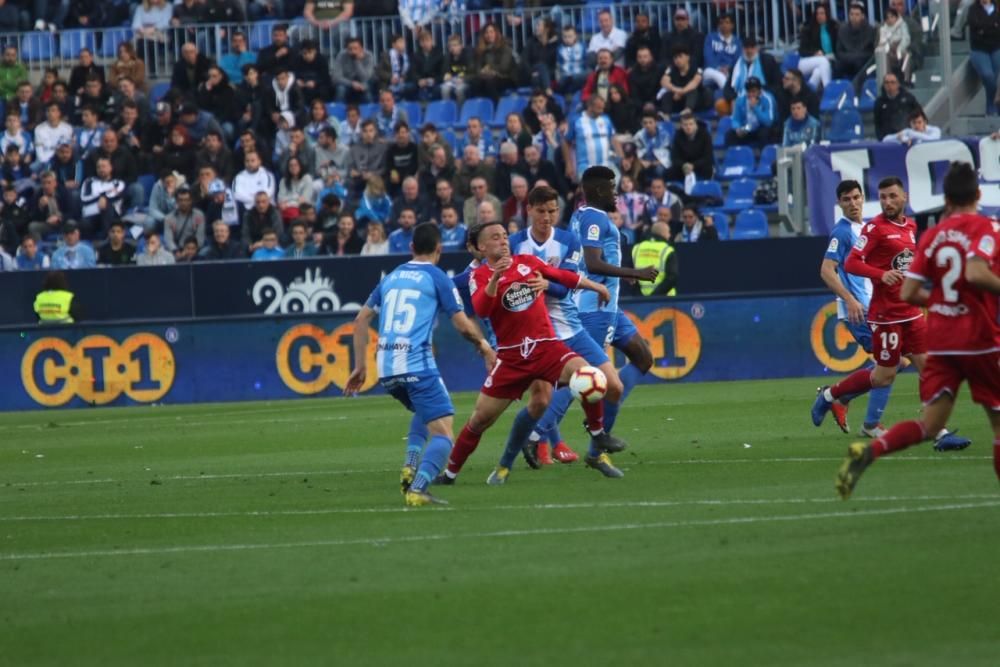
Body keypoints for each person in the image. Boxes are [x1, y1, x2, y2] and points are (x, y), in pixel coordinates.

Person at [837, 161, 1000, 498]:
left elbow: (911, 292)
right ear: (978, 194)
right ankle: (836, 398)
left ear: (948, 200)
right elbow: (975, 273)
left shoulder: (929, 236)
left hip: (942, 339)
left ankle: (871, 450)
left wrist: (941, 300)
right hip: (980, 339)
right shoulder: (988, 228)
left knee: (930, 424)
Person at [437, 218, 621, 486]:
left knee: (590, 376)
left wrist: (596, 286)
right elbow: (482, 309)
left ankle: (597, 432)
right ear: (481, 247)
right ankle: (450, 475)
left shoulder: (527, 261)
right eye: (495, 237)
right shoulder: (478, 276)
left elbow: (562, 277)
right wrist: (497, 277)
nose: (503, 240)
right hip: (511, 358)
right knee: (479, 420)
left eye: (504, 234)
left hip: (547, 347)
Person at [812, 176, 970, 451]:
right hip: (881, 314)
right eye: (883, 197)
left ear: (904, 197)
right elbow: (845, 265)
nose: (886, 202)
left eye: (892, 196)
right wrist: (868, 284)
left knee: (925, 367)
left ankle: (938, 432)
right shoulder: (867, 229)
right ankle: (835, 397)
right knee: (886, 373)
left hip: (909, 312)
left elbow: (908, 264)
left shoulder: (909, 226)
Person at [346, 222, 494, 506]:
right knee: (444, 434)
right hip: (416, 364)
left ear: (411, 248)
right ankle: (418, 487)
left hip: (386, 369)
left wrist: (360, 366)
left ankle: (410, 464)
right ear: (439, 249)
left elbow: (361, 320)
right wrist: (484, 346)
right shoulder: (438, 277)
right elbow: (463, 325)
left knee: (427, 412)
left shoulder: (390, 277)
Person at [505, 185, 629, 469]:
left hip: (571, 327)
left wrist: (547, 284)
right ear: (529, 211)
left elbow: (566, 287)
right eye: (541, 211)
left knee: (614, 386)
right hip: (538, 334)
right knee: (544, 396)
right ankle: (517, 451)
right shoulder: (514, 244)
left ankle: (596, 441)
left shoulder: (569, 241)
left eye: (552, 211)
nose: (546, 217)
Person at [563, 166, 659, 473]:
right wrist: (635, 272)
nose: (617, 193)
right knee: (579, 378)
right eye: (613, 188)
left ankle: (596, 441)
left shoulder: (582, 215)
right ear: (600, 191)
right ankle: (540, 432)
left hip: (610, 307)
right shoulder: (593, 216)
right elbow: (592, 263)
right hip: (595, 307)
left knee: (643, 358)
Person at [817, 179, 892, 438]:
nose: (853, 203)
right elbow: (826, 271)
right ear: (839, 203)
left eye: (856, 197)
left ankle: (837, 396)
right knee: (891, 361)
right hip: (858, 310)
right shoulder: (842, 232)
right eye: (847, 199)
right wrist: (849, 300)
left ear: (863, 198)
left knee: (897, 360)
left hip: (877, 307)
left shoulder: (867, 228)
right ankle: (861, 417)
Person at [563, 95, 617, 184]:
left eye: (603, 107)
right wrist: (568, 164)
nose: (602, 110)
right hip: (585, 167)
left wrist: (621, 157)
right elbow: (565, 142)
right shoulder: (576, 121)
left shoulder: (606, 119)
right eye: (599, 107)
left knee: (619, 180)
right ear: (590, 106)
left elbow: (613, 139)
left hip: (607, 165)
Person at [80, 157, 125, 237]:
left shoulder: (118, 183)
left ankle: (107, 240)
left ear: (111, 168)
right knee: (83, 223)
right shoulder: (89, 182)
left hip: (110, 215)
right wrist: (102, 196)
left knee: (107, 207)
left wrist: (104, 198)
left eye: (104, 166)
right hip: (91, 215)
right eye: (98, 167)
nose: (101, 169)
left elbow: (115, 196)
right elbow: (84, 199)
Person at [658, 45, 710, 115]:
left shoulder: (696, 69)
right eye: (675, 58)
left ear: (687, 57)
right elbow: (664, 82)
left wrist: (681, 92)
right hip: (679, 98)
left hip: (697, 100)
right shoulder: (671, 69)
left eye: (680, 57)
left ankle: (688, 110)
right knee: (667, 95)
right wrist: (676, 90)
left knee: (692, 91)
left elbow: (694, 83)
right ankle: (666, 115)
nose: (678, 60)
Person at [968, 0, 1000, 115]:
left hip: (996, 48)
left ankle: (991, 108)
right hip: (979, 49)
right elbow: (975, 28)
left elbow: (985, 28)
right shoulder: (972, 9)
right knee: (988, 76)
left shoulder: (997, 7)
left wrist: (984, 28)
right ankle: (993, 105)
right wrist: (993, 25)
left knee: (996, 77)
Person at [472, 23, 516, 103]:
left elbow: (504, 67)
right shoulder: (481, 49)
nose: (489, 35)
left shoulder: (505, 47)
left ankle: (496, 107)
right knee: (475, 82)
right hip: (486, 76)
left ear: (496, 33)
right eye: (486, 33)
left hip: (504, 77)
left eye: (491, 32)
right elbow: (477, 67)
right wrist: (482, 72)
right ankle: (478, 107)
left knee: (490, 83)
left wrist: (490, 69)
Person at [726, 77, 777, 148]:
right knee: (730, 135)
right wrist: (738, 128)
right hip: (748, 127)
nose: (751, 94)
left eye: (753, 91)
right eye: (748, 91)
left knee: (764, 132)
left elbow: (768, 122)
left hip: (762, 126)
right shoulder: (740, 99)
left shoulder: (767, 99)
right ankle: (733, 156)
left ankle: (764, 156)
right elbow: (736, 119)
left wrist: (755, 108)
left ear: (760, 91)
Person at [797, 2, 837, 91]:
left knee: (818, 72)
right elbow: (802, 51)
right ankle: (828, 89)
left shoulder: (833, 28)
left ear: (827, 14)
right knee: (823, 60)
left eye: (822, 13)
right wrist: (815, 53)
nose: (819, 16)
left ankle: (808, 91)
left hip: (827, 60)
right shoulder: (808, 29)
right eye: (817, 13)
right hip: (806, 61)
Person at [632, 220, 678, 296]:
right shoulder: (667, 250)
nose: (669, 235)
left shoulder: (637, 248)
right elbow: (672, 277)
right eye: (668, 232)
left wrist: (640, 295)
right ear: (663, 233)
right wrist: (655, 296)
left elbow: (629, 275)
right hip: (665, 299)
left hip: (641, 299)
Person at [835, 2, 876, 86]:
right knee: (837, 66)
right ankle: (837, 89)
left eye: (857, 14)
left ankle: (859, 90)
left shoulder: (870, 30)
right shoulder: (843, 30)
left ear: (863, 16)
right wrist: (851, 57)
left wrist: (856, 57)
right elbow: (839, 51)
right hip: (847, 60)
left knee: (860, 64)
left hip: (862, 62)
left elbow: (871, 52)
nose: (854, 17)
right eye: (851, 14)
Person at [666, 111, 714, 181]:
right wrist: (683, 165)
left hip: (700, 165)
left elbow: (708, 157)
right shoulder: (678, 135)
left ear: (696, 125)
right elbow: (674, 157)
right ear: (681, 126)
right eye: (685, 125)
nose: (688, 127)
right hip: (684, 166)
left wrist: (693, 165)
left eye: (691, 124)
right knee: (668, 172)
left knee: (708, 169)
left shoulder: (705, 135)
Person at [873, 71, 921, 140]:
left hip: (907, 136)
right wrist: (881, 139)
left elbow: (918, 115)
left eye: (892, 82)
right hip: (888, 139)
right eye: (886, 82)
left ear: (898, 84)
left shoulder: (908, 98)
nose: (889, 85)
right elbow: (877, 123)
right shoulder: (879, 102)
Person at [702, 13, 741, 91]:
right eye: (721, 23)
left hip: (729, 72)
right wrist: (719, 68)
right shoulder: (710, 37)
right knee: (720, 76)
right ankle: (729, 94)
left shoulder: (737, 41)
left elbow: (738, 60)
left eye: (727, 22)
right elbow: (708, 56)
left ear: (732, 25)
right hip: (711, 71)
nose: (724, 25)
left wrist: (729, 69)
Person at [164, 187, 205, 257]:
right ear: (176, 201)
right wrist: (176, 252)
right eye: (181, 200)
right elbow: (168, 240)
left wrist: (191, 251)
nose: (183, 203)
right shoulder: (169, 218)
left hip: (195, 249)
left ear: (191, 201)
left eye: (186, 200)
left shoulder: (199, 215)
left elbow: (200, 238)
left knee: (205, 252)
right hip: (177, 250)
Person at [333, 38, 375, 104]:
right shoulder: (341, 55)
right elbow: (336, 77)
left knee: (366, 88)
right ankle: (338, 111)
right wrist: (352, 84)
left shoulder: (368, 56)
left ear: (361, 48)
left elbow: (366, 77)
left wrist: (357, 61)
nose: (353, 51)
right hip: (347, 82)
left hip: (363, 82)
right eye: (350, 49)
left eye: (355, 48)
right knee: (341, 89)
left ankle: (370, 111)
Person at [441, 33, 473, 106]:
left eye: (455, 45)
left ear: (461, 46)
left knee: (459, 90)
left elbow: (472, 72)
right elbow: (445, 70)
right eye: (450, 46)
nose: (452, 48)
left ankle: (461, 112)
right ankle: (447, 110)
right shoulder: (448, 56)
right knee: (444, 88)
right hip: (453, 81)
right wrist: (446, 74)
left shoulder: (468, 55)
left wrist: (463, 79)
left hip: (466, 80)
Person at [556, 25, 588, 94]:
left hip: (579, 75)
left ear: (575, 36)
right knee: (562, 81)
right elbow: (559, 65)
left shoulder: (582, 46)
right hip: (565, 76)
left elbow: (586, 62)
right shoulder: (560, 49)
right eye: (565, 37)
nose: (567, 39)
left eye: (570, 36)